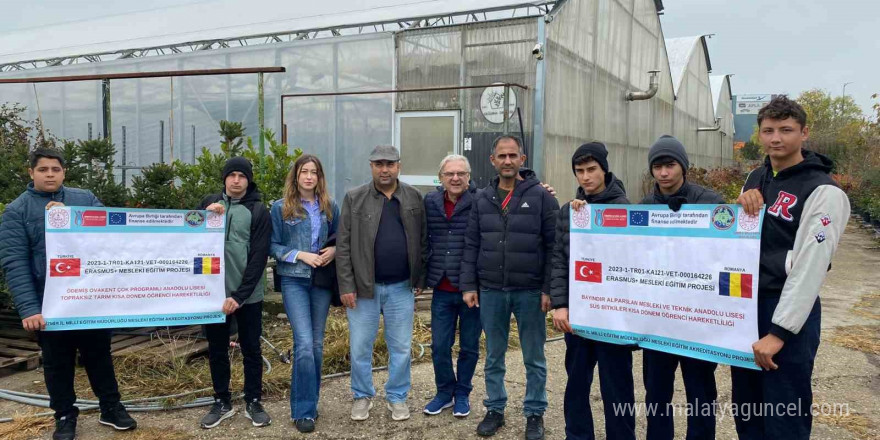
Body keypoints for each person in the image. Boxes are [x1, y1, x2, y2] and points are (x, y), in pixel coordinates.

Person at [733, 96, 850, 439]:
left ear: (804, 133)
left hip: (786, 311)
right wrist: (742, 206)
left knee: (785, 411)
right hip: (747, 306)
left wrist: (779, 332)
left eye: (786, 130)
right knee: (748, 409)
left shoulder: (823, 191)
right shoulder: (756, 177)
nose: (776, 138)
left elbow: (810, 268)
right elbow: (741, 241)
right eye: (768, 130)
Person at [0, 148, 137, 440]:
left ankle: (110, 408)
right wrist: (28, 309)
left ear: (64, 172)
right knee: (57, 363)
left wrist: (73, 217)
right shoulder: (18, 210)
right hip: (50, 305)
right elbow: (15, 262)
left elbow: (110, 235)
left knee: (99, 355)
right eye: (43, 169)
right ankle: (64, 415)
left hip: (89, 299)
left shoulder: (84, 199)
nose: (49, 174)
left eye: (55, 169)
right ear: (31, 173)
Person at [460, 135, 559, 440]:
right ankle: (495, 409)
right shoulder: (482, 198)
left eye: (512, 155)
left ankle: (534, 412)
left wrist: (548, 289)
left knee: (534, 356)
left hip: (529, 291)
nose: (507, 161)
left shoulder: (542, 197)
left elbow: (554, 246)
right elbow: (471, 243)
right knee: (493, 355)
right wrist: (469, 285)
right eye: (501, 156)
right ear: (492, 160)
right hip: (491, 290)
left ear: (522, 159)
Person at [639, 135, 724, 440]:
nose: (664, 173)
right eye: (658, 166)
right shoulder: (646, 206)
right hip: (659, 321)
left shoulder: (710, 203)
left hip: (697, 319)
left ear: (683, 167)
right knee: (657, 393)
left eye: (670, 165)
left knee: (701, 394)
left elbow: (726, 256)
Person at [550, 142, 636, 440]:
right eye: (579, 172)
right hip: (579, 313)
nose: (585, 177)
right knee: (576, 383)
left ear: (604, 170)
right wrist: (560, 304)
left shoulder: (626, 210)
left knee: (617, 386)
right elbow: (560, 260)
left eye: (591, 170)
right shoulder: (570, 212)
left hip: (612, 316)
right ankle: (577, 435)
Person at [336, 145, 427, 422]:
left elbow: (422, 240)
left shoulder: (413, 197)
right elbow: (343, 246)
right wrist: (346, 286)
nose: (384, 169)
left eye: (389, 164)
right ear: (371, 166)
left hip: (401, 287)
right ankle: (362, 396)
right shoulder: (355, 198)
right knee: (361, 346)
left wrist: (419, 277)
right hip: (365, 289)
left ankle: (397, 397)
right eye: (378, 164)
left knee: (400, 346)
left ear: (399, 166)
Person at [197, 156, 272, 429]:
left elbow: (259, 256)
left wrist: (240, 295)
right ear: (225, 178)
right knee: (216, 349)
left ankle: (253, 400)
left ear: (248, 179)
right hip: (214, 295)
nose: (236, 180)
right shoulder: (210, 202)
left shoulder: (258, 211)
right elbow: (189, 231)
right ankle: (222, 401)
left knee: (251, 348)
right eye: (232, 175)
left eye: (242, 176)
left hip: (247, 295)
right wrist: (205, 212)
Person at [269, 154, 339, 433]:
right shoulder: (280, 208)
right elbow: (272, 245)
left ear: (320, 177)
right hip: (294, 281)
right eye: (304, 172)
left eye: (314, 172)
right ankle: (303, 410)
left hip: (321, 281)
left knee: (317, 346)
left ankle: (311, 402)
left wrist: (333, 251)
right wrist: (299, 255)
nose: (309, 177)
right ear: (295, 176)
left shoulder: (329, 206)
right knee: (304, 345)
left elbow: (339, 237)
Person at [422, 154, 481, 418]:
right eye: (450, 174)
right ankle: (445, 392)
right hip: (441, 289)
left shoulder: (481, 201)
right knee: (439, 345)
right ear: (441, 177)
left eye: (461, 173)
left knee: (469, 346)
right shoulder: (430, 202)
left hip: (471, 290)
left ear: (469, 177)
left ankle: (462, 393)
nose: (455, 178)